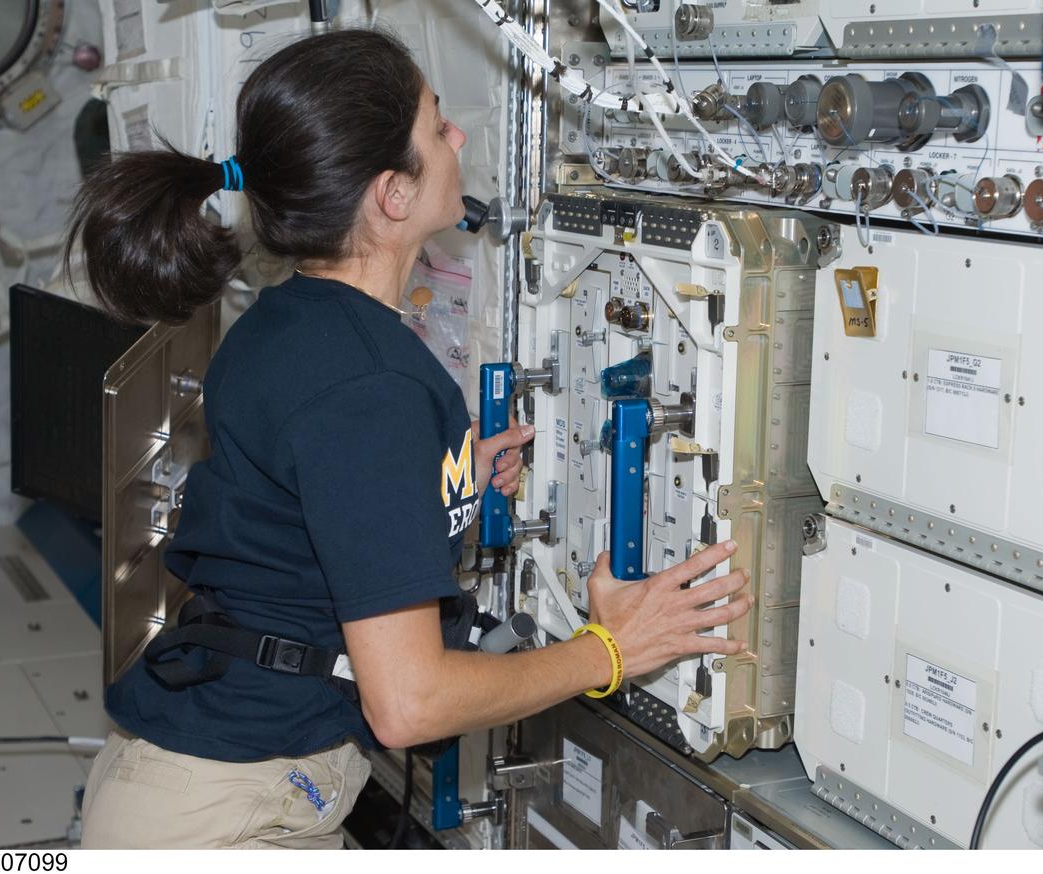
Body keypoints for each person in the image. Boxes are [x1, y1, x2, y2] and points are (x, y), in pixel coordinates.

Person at [66, 28, 752, 850]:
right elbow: (409, 704)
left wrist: (428, 487)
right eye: (437, 126)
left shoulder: (284, 324)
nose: (458, 137)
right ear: (393, 195)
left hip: (199, 783)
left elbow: (300, 518)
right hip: (225, 819)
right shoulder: (368, 387)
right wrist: (608, 650)